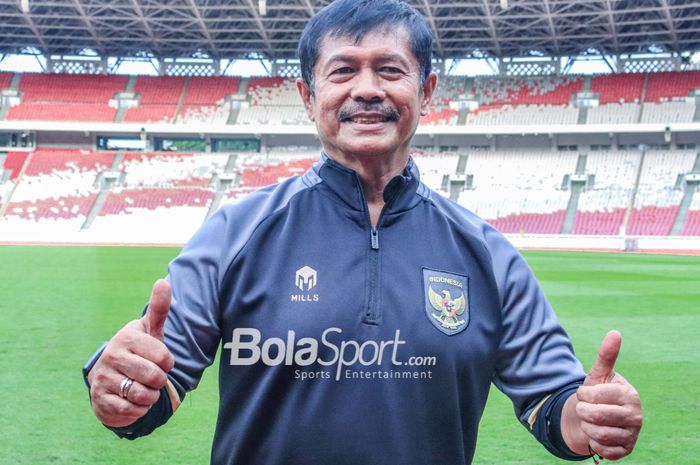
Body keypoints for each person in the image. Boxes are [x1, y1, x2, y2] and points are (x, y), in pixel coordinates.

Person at [83, 1, 643, 464]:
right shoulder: (235, 233)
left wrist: (593, 418)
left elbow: (557, 406)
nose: (367, 88)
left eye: (391, 69)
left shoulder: (487, 253)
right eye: (343, 70)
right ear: (309, 97)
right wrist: (120, 388)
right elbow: (150, 388)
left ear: (427, 91)